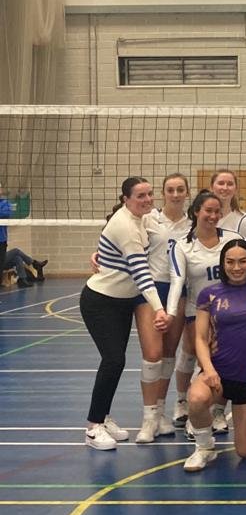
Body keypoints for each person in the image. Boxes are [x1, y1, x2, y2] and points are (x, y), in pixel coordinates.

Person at [81, 177, 168, 450]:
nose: (147, 200)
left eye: (149, 194)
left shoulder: (144, 217)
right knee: (114, 359)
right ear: (125, 199)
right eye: (140, 196)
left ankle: (104, 417)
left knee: (115, 361)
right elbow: (141, 273)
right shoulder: (125, 226)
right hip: (100, 301)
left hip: (122, 302)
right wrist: (160, 309)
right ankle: (93, 427)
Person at [183, 240, 246, 471]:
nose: (236, 267)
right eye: (230, 262)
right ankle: (204, 448)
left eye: (242, 261)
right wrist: (209, 370)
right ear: (223, 264)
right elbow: (200, 338)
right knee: (196, 398)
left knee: (245, 452)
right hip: (218, 374)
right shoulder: (209, 294)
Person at [167, 190, 244, 433]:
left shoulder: (231, 238)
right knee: (199, 359)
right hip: (197, 311)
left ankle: (217, 411)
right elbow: (177, 281)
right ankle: (188, 407)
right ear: (196, 212)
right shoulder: (183, 245)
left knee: (222, 360)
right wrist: (169, 313)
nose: (212, 215)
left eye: (216, 211)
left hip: (230, 312)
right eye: (207, 211)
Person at [134, 173, 191, 443]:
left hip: (179, 291)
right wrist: (98, 253)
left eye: (181, 189)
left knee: (169, 353)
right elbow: (119, 238)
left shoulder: (192, 224)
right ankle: (147, 418)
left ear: (187, 193)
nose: (176, 194)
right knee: (153, 353)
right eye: (171, 189)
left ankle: (159, 413)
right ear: (163, 193)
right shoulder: (149, 219)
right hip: (150, 289)